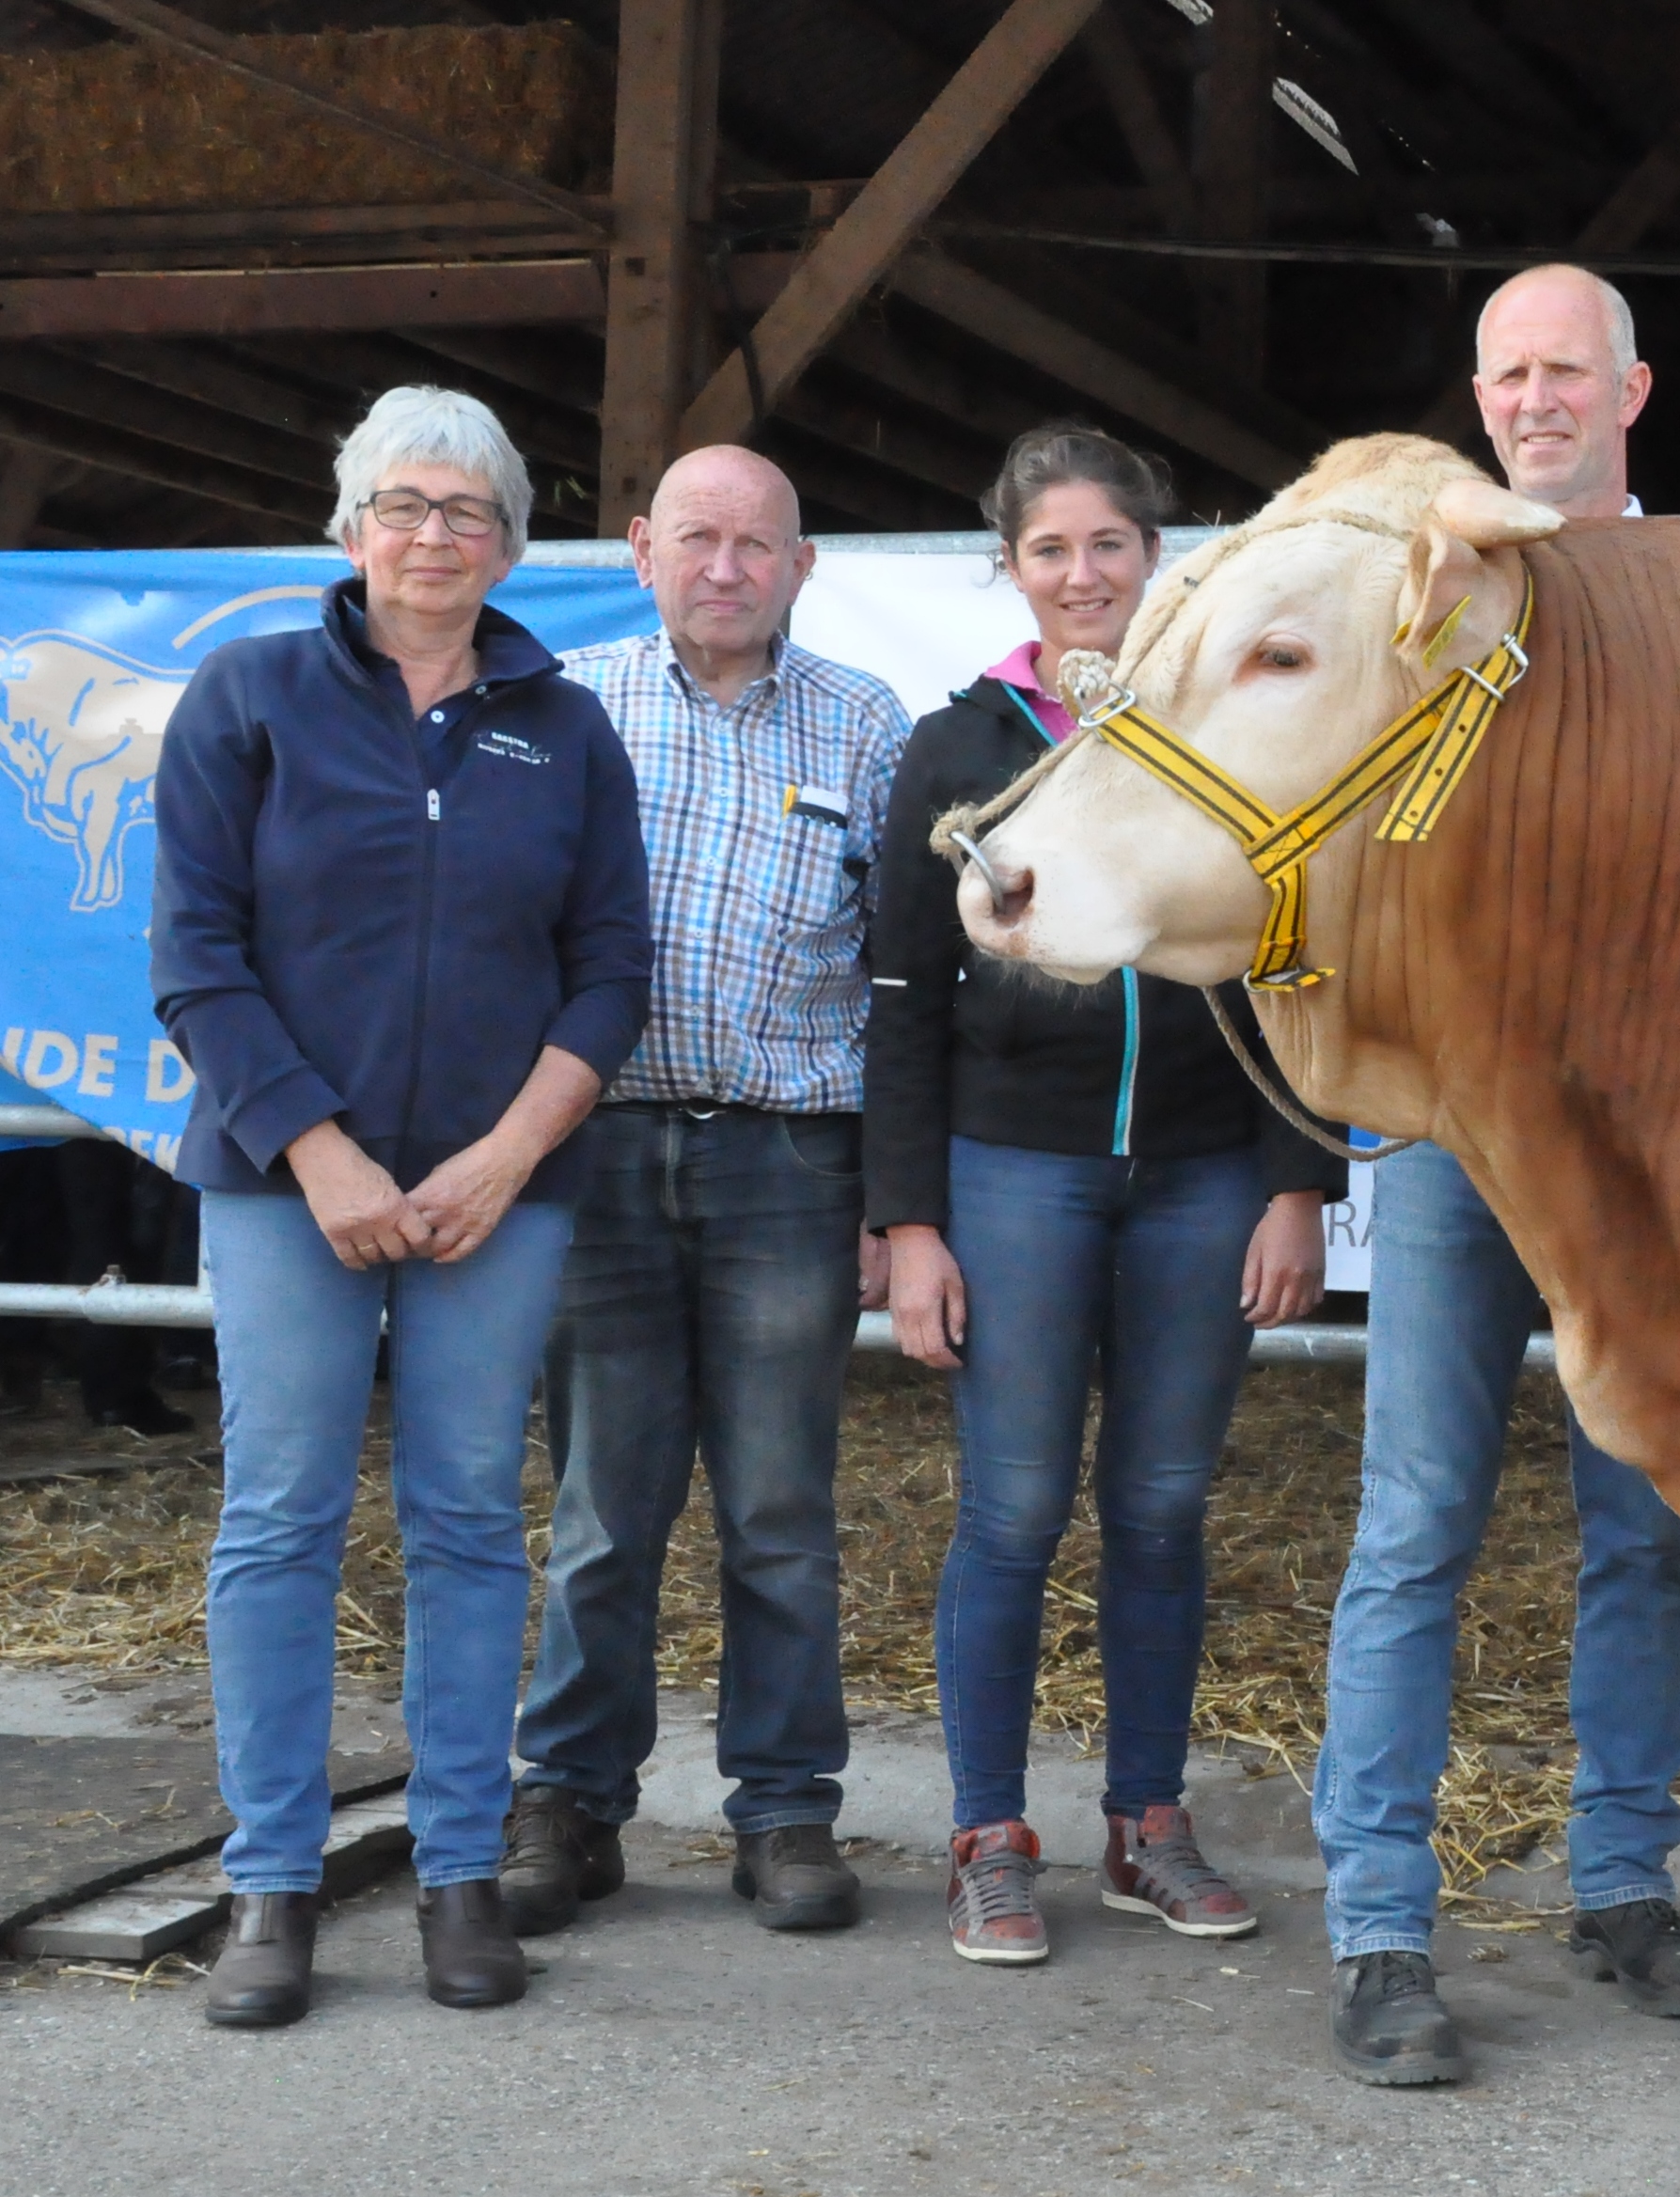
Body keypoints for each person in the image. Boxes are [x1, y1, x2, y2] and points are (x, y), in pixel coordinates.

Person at [150, 385, 653, 2027]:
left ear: (509, 544)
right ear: (351, 526)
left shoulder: (564, 728)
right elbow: (195, 955)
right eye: (405, 505)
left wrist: (506, 1157)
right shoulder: (249, 694)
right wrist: (322, 1152)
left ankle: (457, 1874)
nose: (434, 536)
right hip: (288, 1185)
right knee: (279, 1520)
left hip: (496, 1196)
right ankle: (271, 1886)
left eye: (468, 511)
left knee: (466, 1519)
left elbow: (610, 971)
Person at [1314, 265, 1680, 2085]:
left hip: (1639, 1148)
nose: (1536, 400)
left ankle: (1623, 1881)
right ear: (1476, 399)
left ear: (1631, 392)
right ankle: (1377, 1928)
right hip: (1449, 1127)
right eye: (1507, 375)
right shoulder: (1410, 593)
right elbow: (1336, 847)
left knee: (1644, 1522)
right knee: (1415, 1518)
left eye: (1567, 370)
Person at [868, 425, 1346, 1966]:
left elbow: (1290, 958)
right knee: (1012, 1508)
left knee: (1160, 1505)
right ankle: (987, 1837)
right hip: (1015, 1171)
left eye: (1110, 546)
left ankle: (1148, 1823)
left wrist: (1296, 1182)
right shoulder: (959, 745)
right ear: (1010, 569)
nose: (1083, 575)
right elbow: (901, 996)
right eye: (1050, 550)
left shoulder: (1226, 725)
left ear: (1158, 556)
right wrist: (910, 1223)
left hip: (1206, 1174)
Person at [499, 447, 913, 1938]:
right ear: (639, 550)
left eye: (756, 543)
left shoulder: (864, 722)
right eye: (697, 538)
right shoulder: (569, 707)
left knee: (781, 1508)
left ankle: (787, 1811)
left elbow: (901, 971)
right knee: (601, 1507)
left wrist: (890, 1195)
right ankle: (567, 1800)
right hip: (596, 1147)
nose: (726, 568)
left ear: (802, 564)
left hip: (789, 1160)